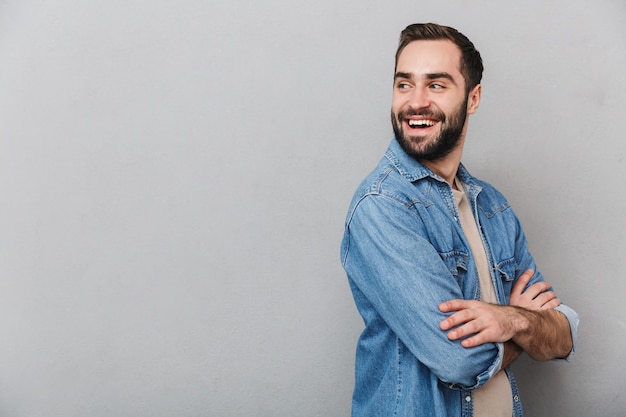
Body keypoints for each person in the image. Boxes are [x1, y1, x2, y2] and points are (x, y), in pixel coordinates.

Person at [340, 23, 579, 417]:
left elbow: (565, 334)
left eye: (436, 85)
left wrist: (512, 321)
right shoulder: (382, 207)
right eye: (404, 84)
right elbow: (457, 361)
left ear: (473, 98)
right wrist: (523, 324)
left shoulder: (493, 207)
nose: (416, 102)